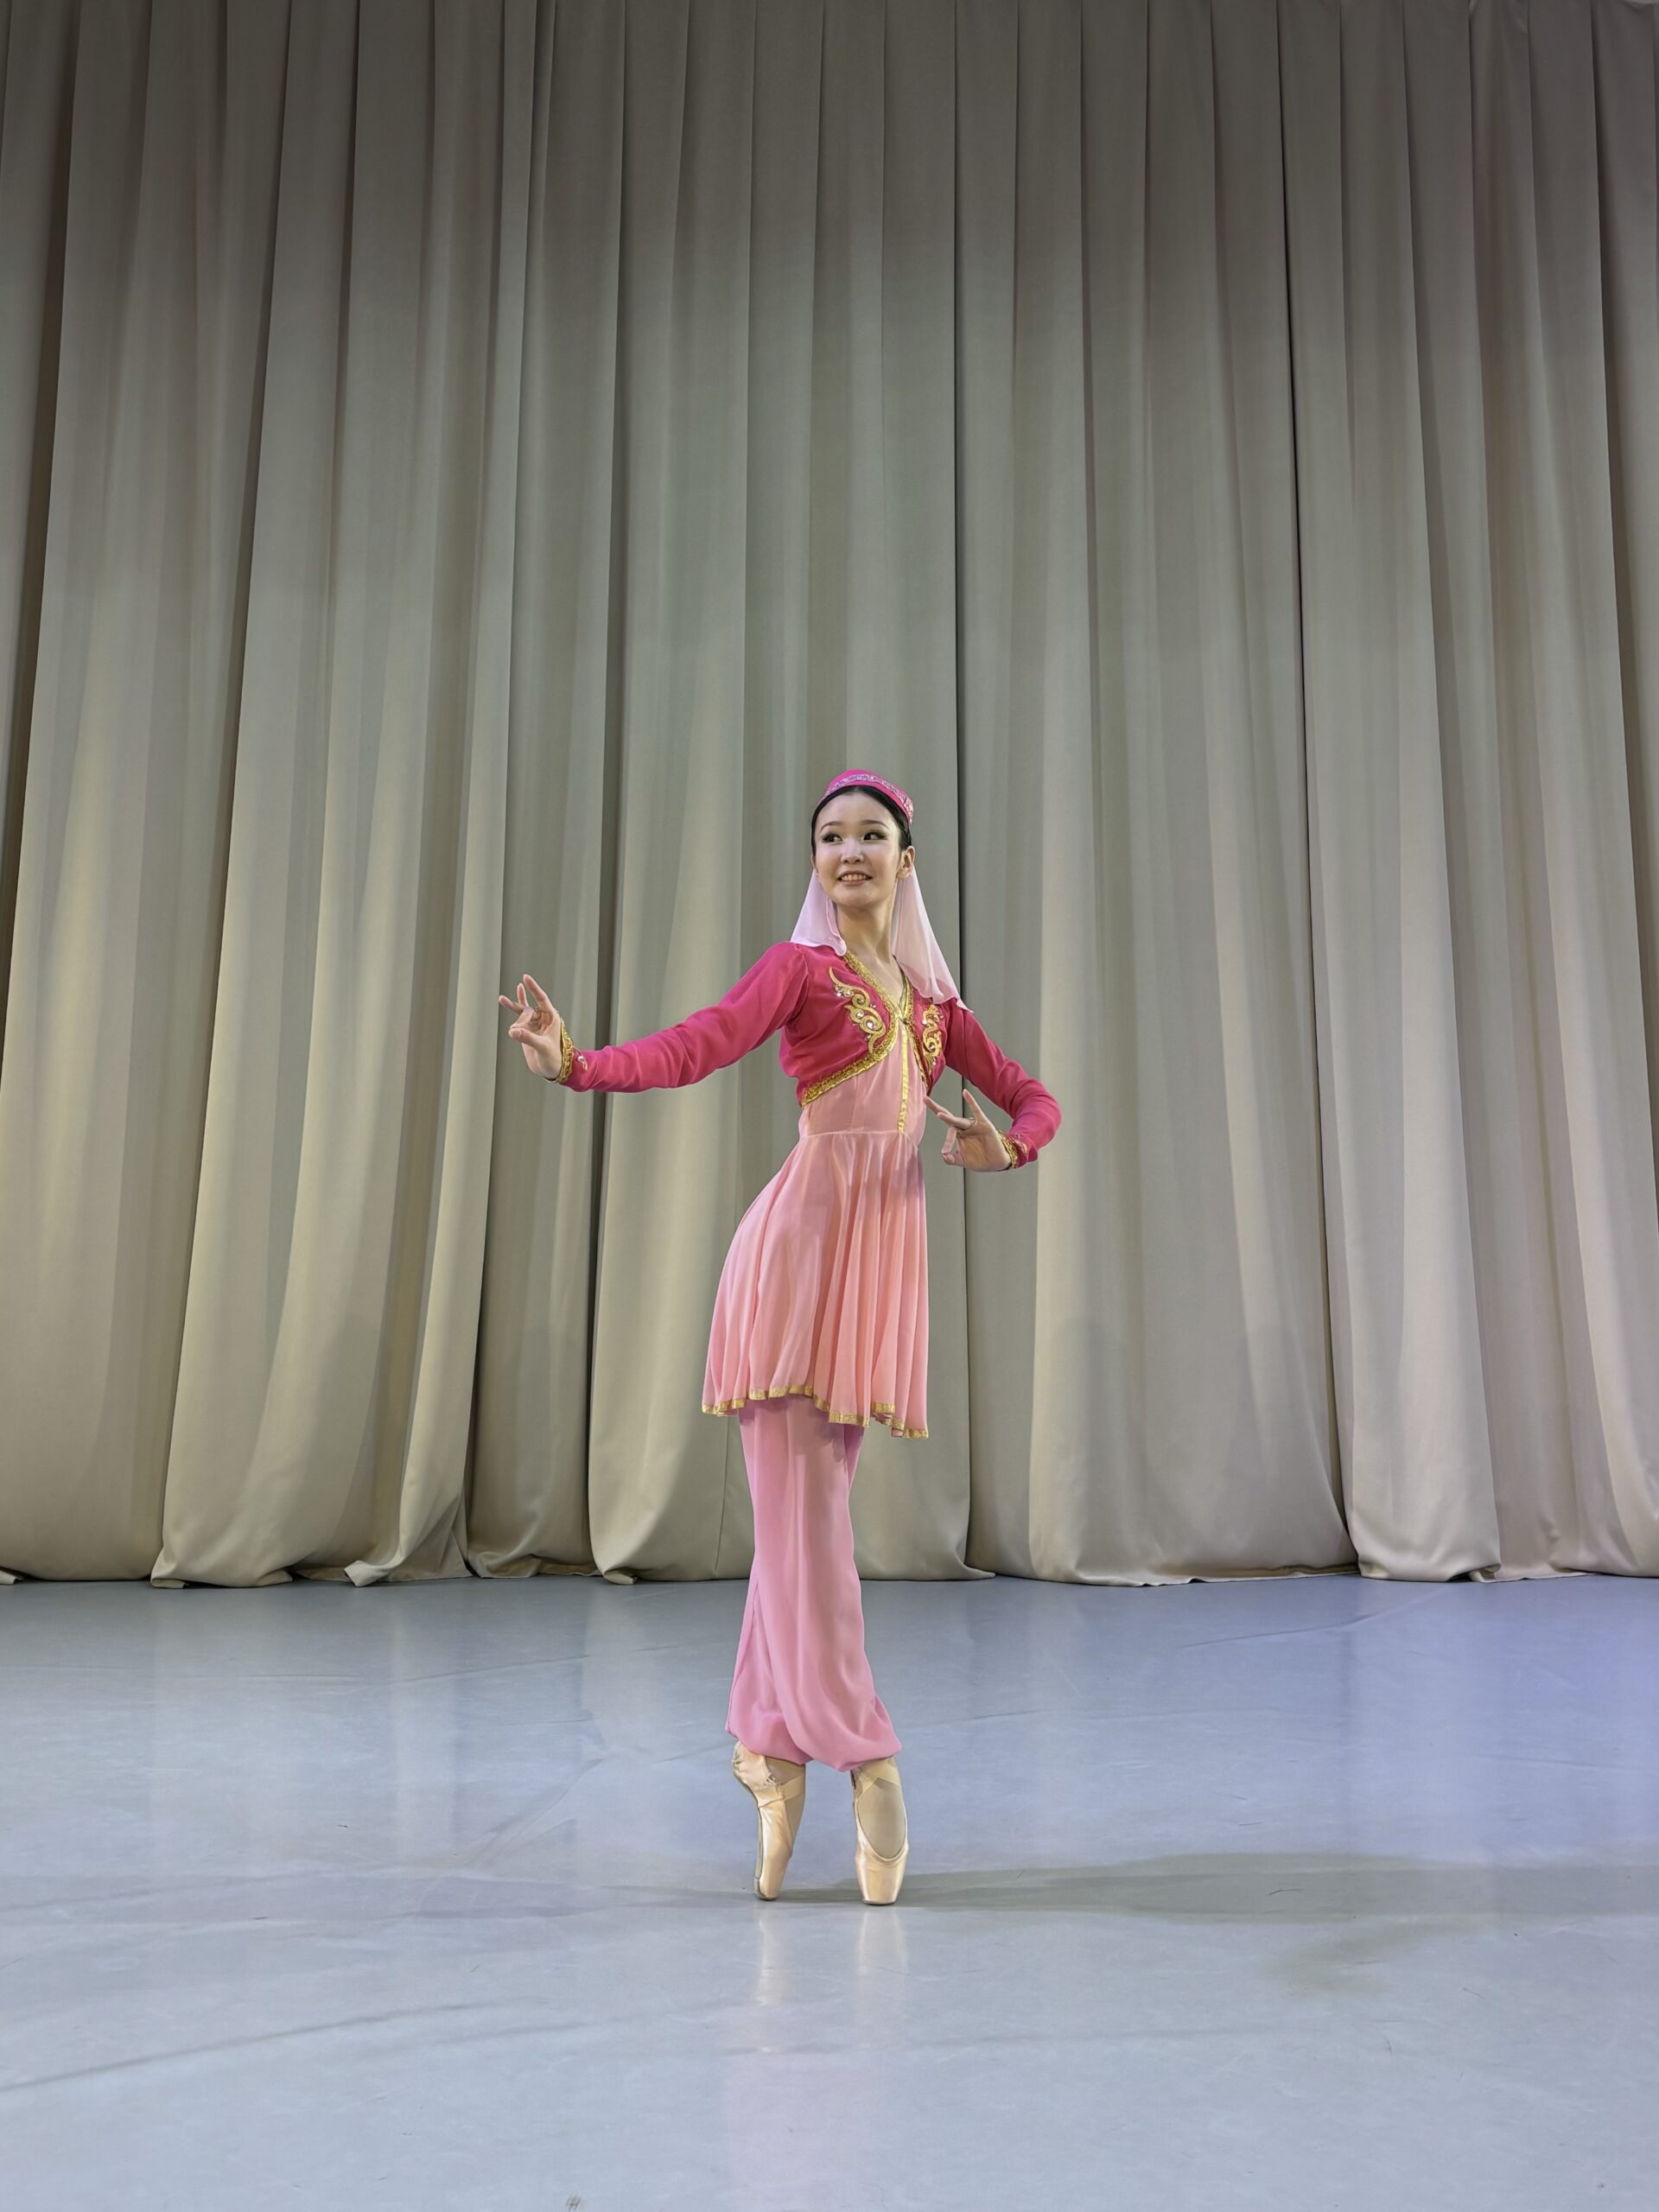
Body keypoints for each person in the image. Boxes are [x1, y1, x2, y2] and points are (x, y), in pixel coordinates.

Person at [499, 771, 1061, 1904]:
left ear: (905, 862)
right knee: (812, 1535)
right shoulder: (799, 973)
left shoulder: (934, 1010)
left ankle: (768, 1752)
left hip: (870, 1283)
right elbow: (699, 1044)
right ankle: (867, 1756)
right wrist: (577, 1063)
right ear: (816, 862)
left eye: (872, 836)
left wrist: (1007, 1147)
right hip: (794, 1268)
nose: (850, 851)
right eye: (831, 836)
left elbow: (1033, 1097)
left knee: (801, 1532)